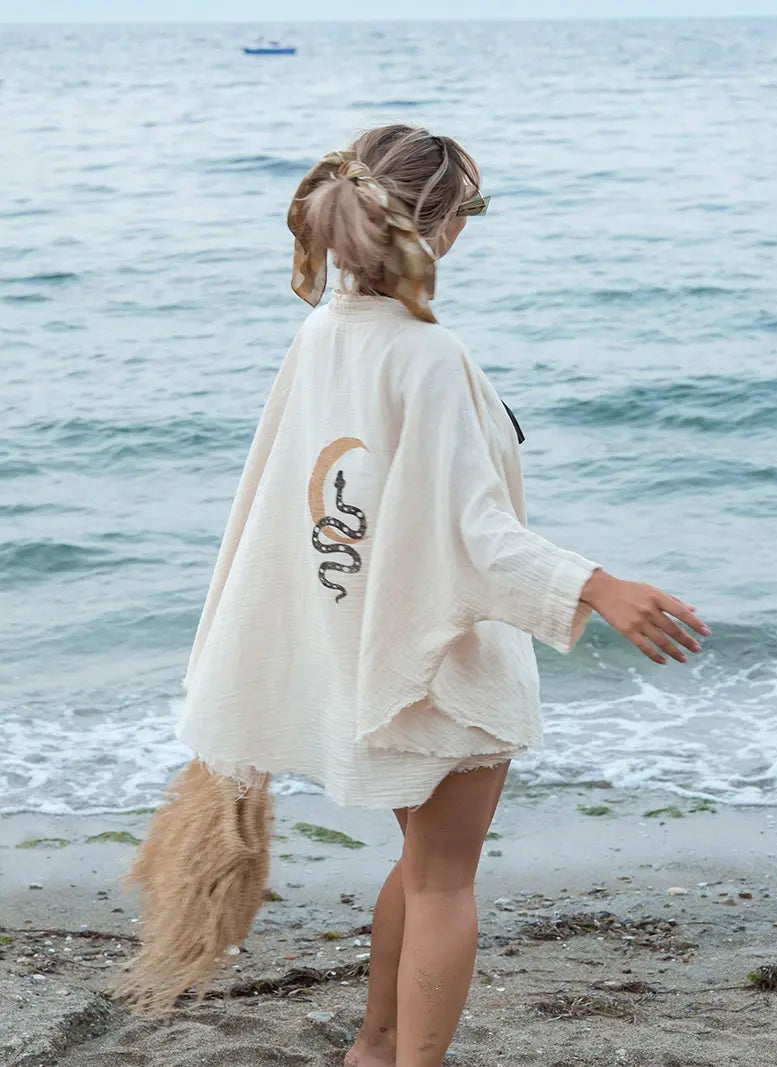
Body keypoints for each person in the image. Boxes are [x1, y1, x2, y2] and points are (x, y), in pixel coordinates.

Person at [130, 125, 710, 1063]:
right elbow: (472, 536)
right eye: (468, 210)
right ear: (439, 226)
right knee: (445, 881)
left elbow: (302, 501)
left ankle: (375, 1045)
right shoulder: (425, 354)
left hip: (364, 645)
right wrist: (599, 587)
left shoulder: (324, 331)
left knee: (422, 863)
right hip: (432, 662)